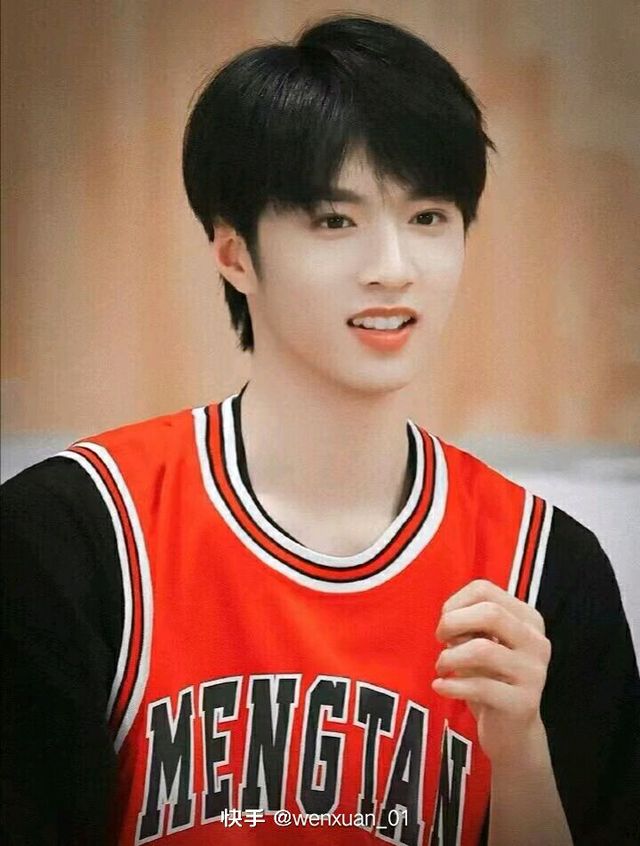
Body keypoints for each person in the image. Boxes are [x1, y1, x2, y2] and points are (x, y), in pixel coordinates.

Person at [2, 13, 639, 846]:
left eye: (429, 217)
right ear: (234, 252)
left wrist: (520, 753)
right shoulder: (75, 535)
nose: (394, 269)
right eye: (336, 221)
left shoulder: (546, 567)